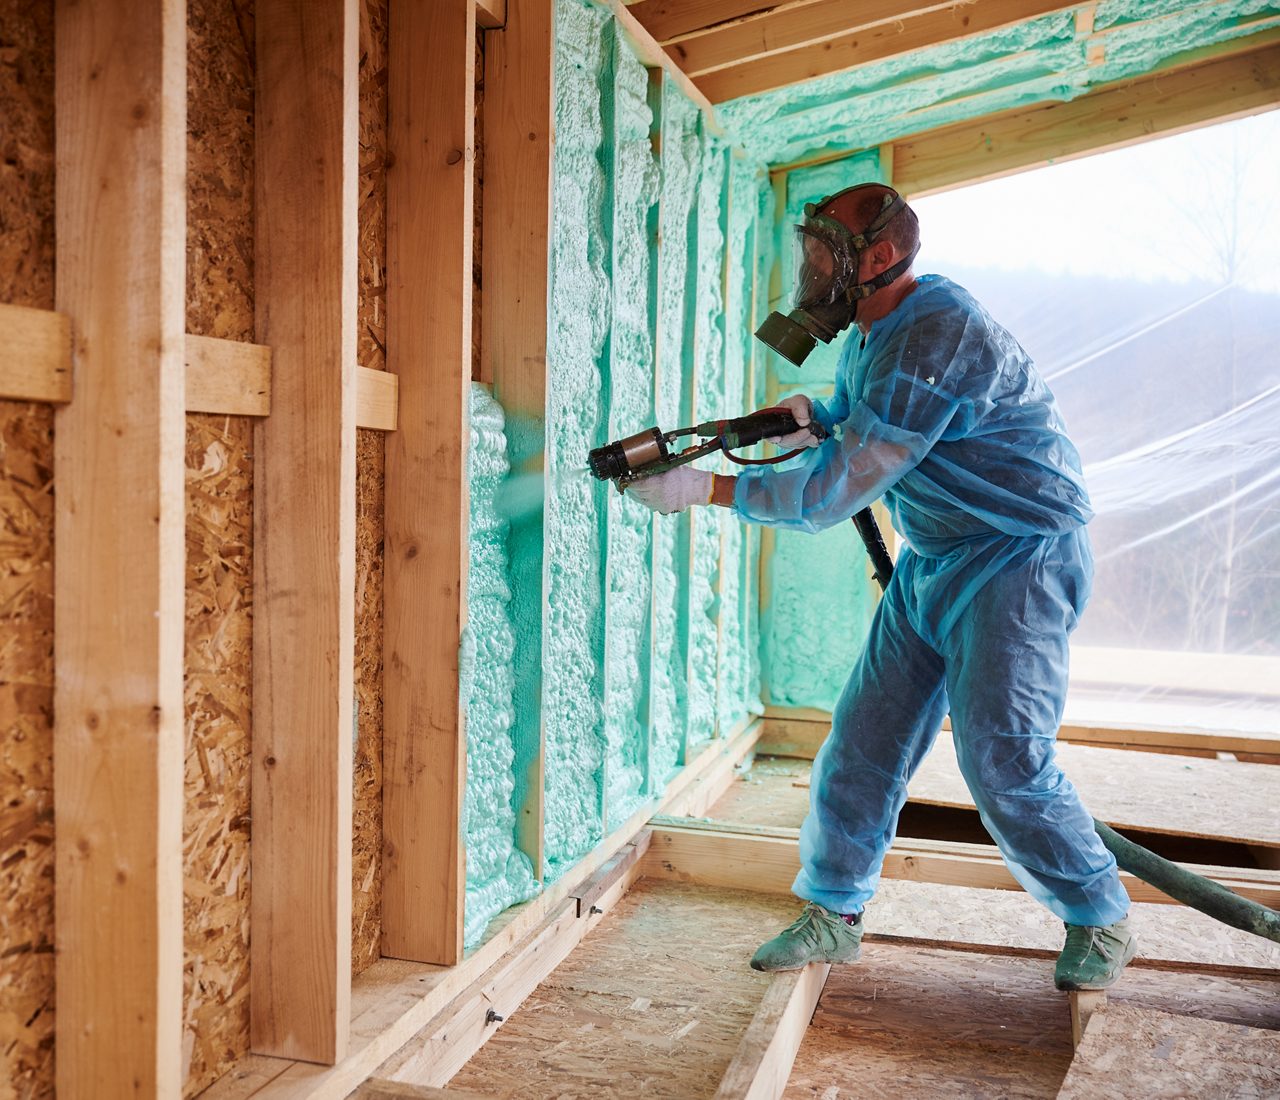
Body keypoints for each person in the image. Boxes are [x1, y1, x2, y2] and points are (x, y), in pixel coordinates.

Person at [625, 183, 1137, 992]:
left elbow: (834, 493)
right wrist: (814, 414)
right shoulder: (874, 328)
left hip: (1017, 561)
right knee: (863, 741)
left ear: (880, 257)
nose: (811, 268)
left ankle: (1099, 915)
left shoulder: (936, 332)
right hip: (938, 556)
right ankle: (835, 912)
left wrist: (707, 490)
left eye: (824, 252)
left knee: (1002, 759)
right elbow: (865, 420)